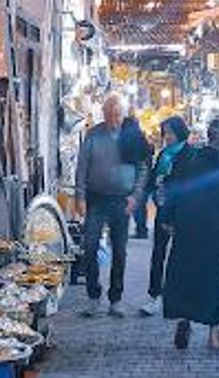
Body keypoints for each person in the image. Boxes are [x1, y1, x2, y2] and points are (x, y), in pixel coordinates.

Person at [162, 118, 219, 350]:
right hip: (217, 229)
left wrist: (168, 218)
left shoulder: (187, 159)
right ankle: (214, 334)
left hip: (188, 224)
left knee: (185, 272)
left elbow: (172, 189)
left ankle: (184, 319)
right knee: (213, 279)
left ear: (207, 135)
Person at [75, 94, 148, 318]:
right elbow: (82, 166)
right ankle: (93, 295)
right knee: (89, 246)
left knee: (119, 251)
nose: (113, 119)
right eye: (109, 115)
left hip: (121, 200)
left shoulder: (132, 136)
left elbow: (143, 169)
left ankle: (115, 299)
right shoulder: (93, 135)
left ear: (122, 115)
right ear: (103, 114)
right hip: (96, 197)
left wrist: (135, 196)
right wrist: (80, 197)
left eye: (116, 115)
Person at [139, 116, 194, 317]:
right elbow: (154, 180)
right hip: (162, 209)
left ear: (180, 132)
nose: (167, 137)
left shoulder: (189, 154)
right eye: (165, 133)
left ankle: (179, 294)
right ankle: (155, 295)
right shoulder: (163, 155)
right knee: (158, 254)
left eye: (170, 133)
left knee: (181, 254)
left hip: (182, 211)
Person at [121, 117, 153, 239]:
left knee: (131, 204)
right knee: (139, 204)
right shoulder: (141, 140)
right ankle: (141, 229)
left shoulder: (126, 140)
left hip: (132, 177)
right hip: (143, 177)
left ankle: (136, 229)